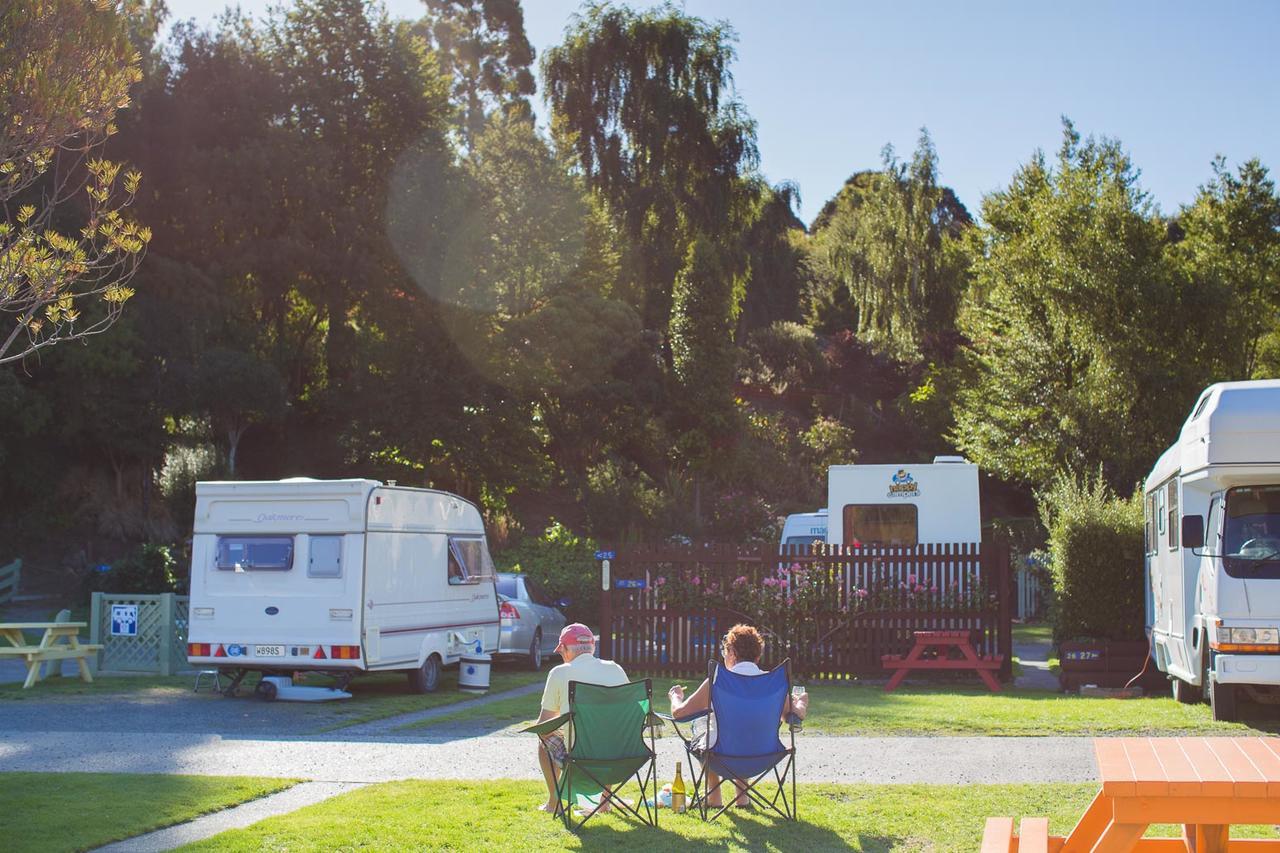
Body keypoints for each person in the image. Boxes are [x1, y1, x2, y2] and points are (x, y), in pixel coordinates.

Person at [667, 623, 809, 808]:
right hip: (764, 756)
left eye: (725, 652)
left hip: (721, 758)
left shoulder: (717, 681)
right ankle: (742, 798)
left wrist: (675, 697)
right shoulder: (772, 685)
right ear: (757, 656)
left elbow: (679, 714)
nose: (724, 656)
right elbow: (793, 715)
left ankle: (714, 797)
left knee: (702, 725)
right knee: (745, 727)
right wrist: (801, 701)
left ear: (732, 652)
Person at [534, 622, 629, 813]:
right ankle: (604, 803)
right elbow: (628, 715)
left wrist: (561, 729)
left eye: (561, 652)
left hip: (580, 757)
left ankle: (555, 802)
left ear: (566, 649)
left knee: (543, 744)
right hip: (622, 754)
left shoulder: (560, 673)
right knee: (608, 732)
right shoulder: (615, 669)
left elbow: (543, 727)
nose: (562, 656)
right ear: (592, 647)